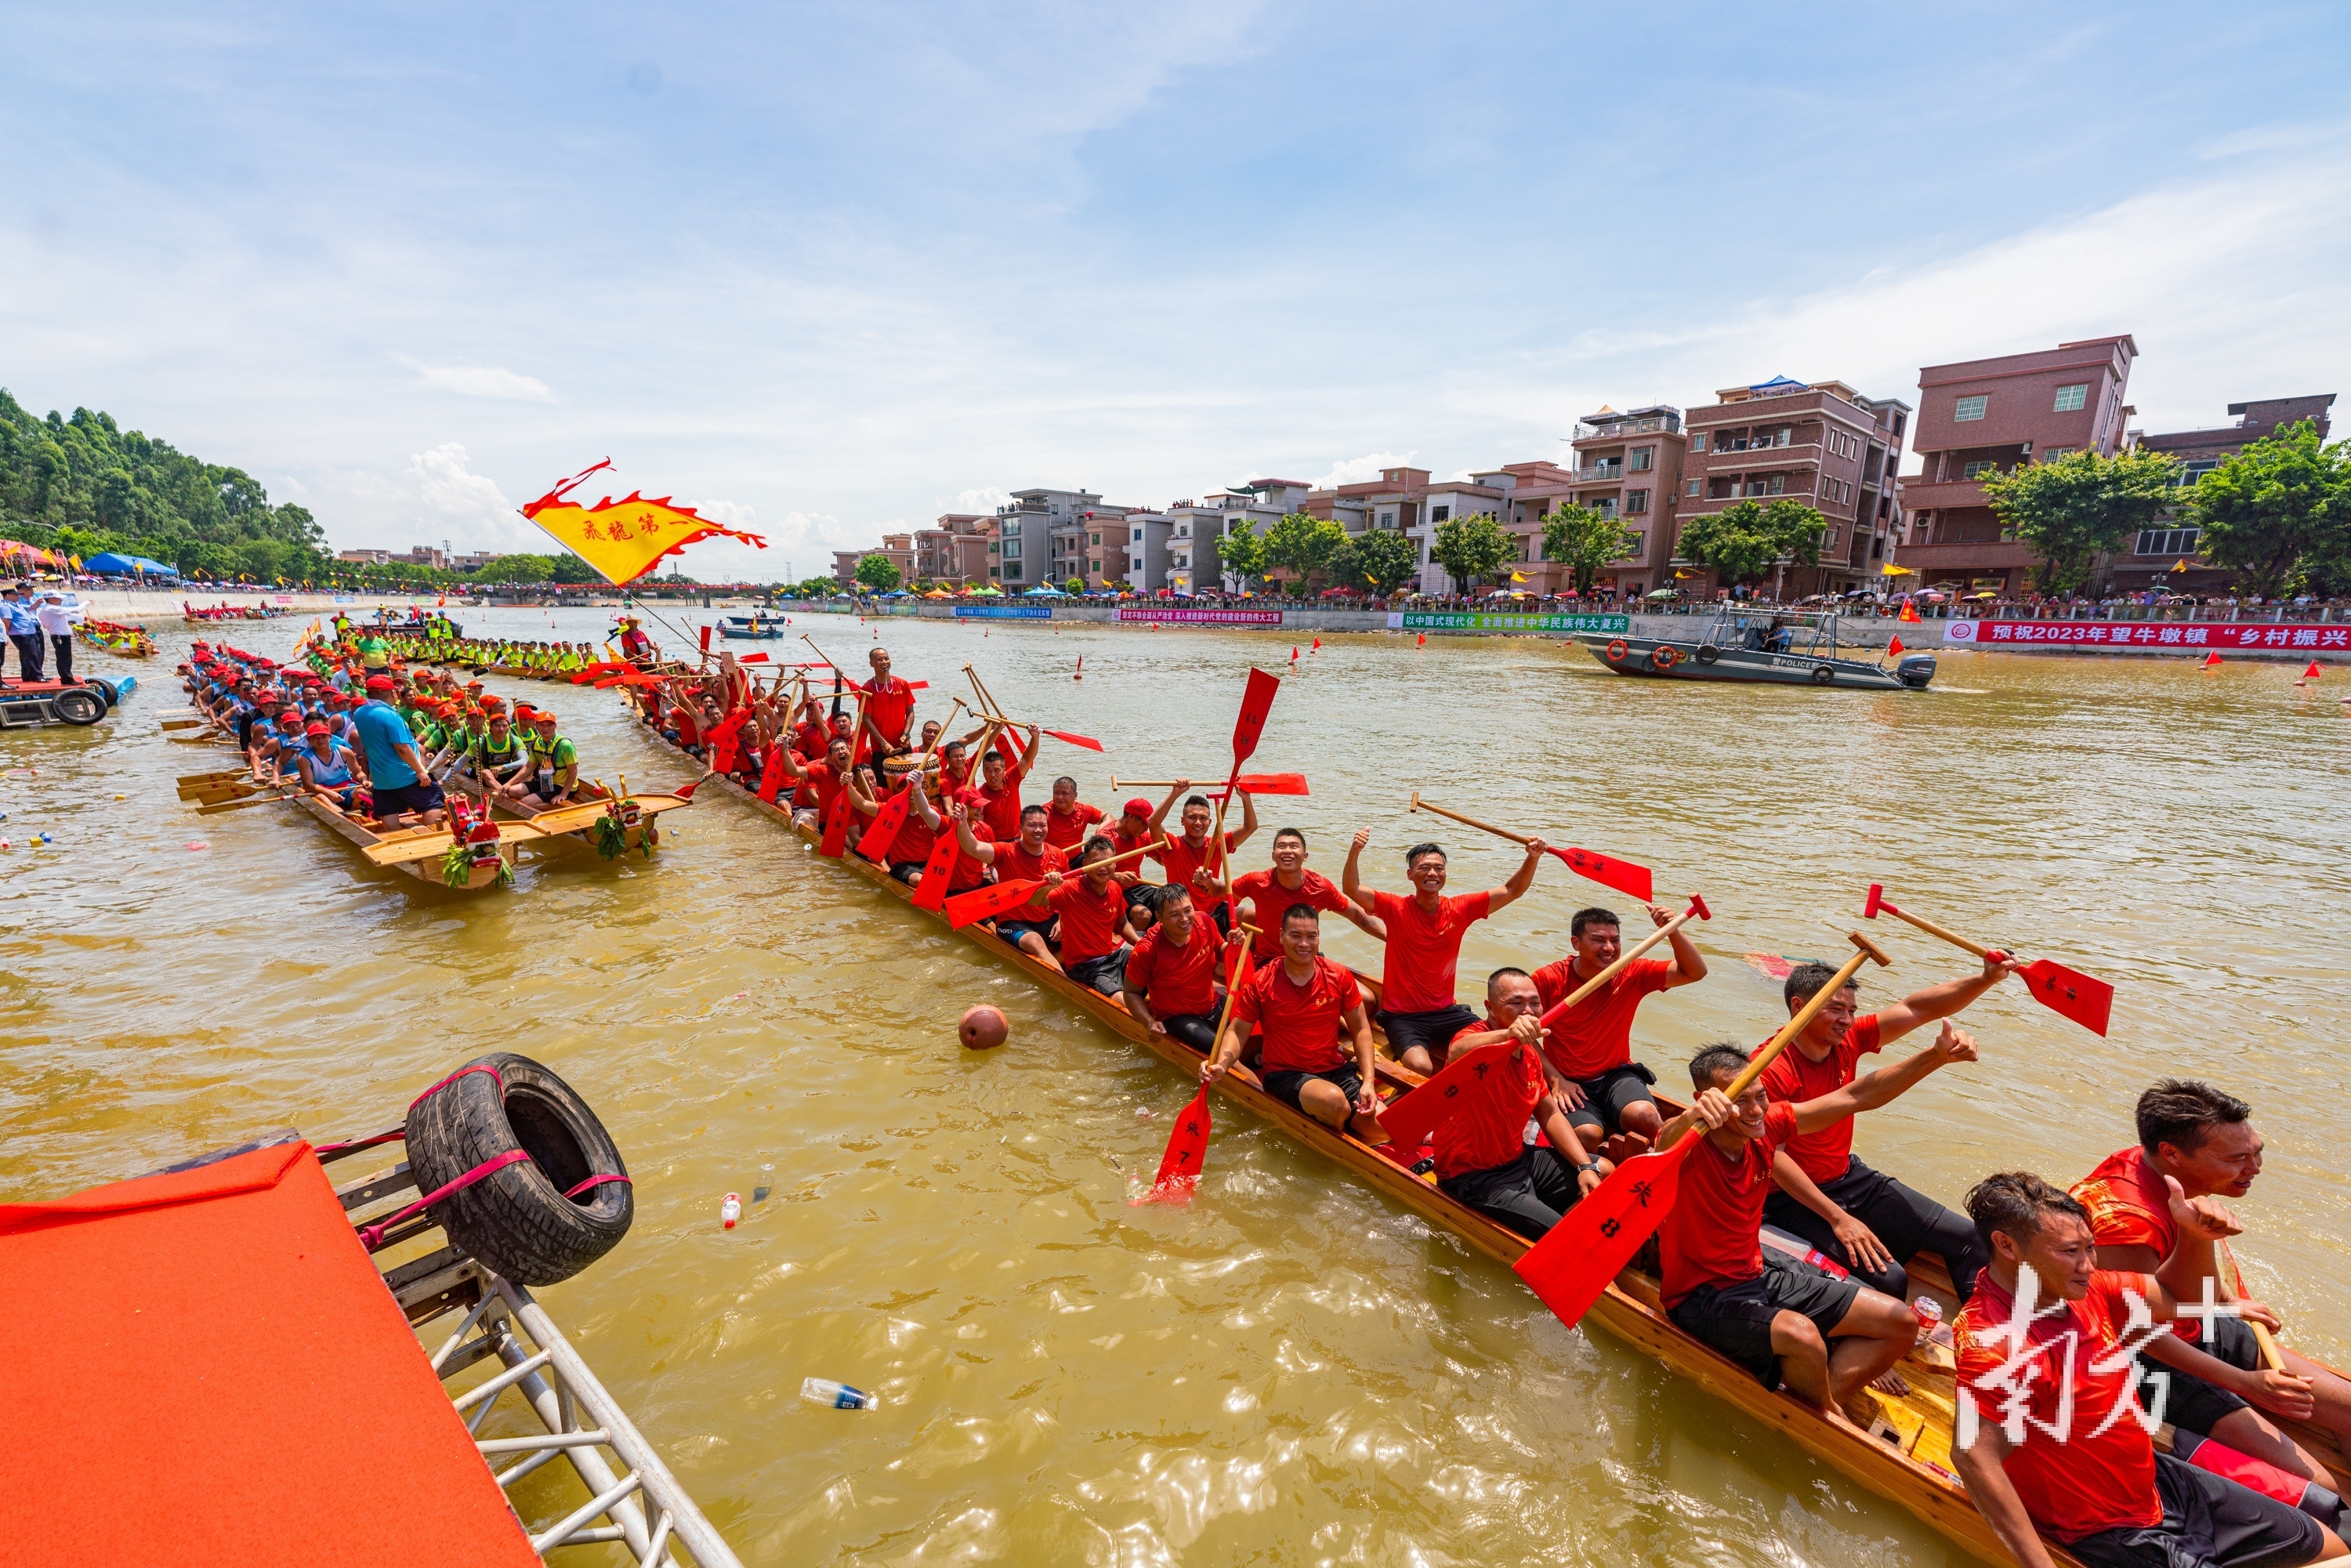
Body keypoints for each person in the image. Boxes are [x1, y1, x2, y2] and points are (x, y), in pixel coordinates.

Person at [1949, 1172, 2338, 1568]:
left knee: (2335, 1543)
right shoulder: (1994, 1346)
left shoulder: (2089, 1289)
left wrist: (2195, 1237)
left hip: (2158, 1482)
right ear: (2006, 1246)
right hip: (2107, 1529)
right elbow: (1974, 1458)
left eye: (2091, 1247)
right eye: (2070, 1252)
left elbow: (2187, 1299)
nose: (2088, 1265)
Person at [2072, 1080, 2351, 1480]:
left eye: (2257, 1153)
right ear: (2171, 1153)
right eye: (2236, 1159)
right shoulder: (2127, 1221)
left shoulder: (2156, 1165)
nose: (2253, 1169)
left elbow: (2183, 1285)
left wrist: (2224, 1303)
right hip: (2141, 1359)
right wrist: (2245, 1384)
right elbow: (2135, 1331)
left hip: (2195, 1322)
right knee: (2317, 1484)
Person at [1656, 1040, 1955, 1412]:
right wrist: (1689, 1117)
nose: (1755, 1111)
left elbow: (1857, 1096)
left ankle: (1822, 1407)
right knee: (1804, 1337)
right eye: (1740, 1101)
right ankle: (1827, 1413)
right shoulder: (1689, 1145)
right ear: (1705, 1099)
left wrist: (1935, 1055)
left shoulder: (1766, 1128)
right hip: (1699, 1296)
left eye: (1760, 1096)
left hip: (1756, 1275)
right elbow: (1662, 1145)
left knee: (1900, 1322)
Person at [1755, 955, 2014, 1306]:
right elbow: (1774, 1156)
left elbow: (1916, 1009)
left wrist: (1985, 979)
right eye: (1835, 1009)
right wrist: (1839, 1218)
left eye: (1851, 1009)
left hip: (1848, 1175)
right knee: (1892, 1281)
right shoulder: (1768, 1069)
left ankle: (1991, 1332)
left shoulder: (1847, 1039)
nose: (1847, 1020)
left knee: (1971, 1239)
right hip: (1793, 1198)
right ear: (1799, 1006)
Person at [1342, 830, 1544, 1074]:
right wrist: (1355, 851)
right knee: (1421, 1067)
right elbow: (1352, 889)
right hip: (1403, 1017)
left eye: (1439, 868)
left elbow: (1512, 890)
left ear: (1445, 874)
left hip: (1446, 1012)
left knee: (1500, 1043)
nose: (1432, 873)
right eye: (1424, 867)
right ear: (1410, 875)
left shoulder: (1460, 908)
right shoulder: (1395, 907)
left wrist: (1532, 857)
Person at [1430, 969, 1608, 1239]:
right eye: (1516, 1003)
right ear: (1490, 1008)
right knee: (1561, 1235)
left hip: (1518, 1158)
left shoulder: (1531, 1055)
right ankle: (1561, 1236)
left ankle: (1562, 1229)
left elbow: (1548, 1113)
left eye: (1534, 1003)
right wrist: (1506, 1034)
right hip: (1471, 1173)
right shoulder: (1474, 1037)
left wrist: (1584, 1167)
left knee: (1604, 1171)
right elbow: (1457, 1051)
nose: (1528, 1011)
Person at [1529, 904, 1708, 1151]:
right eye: (1598, 940)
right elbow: (1521, 1034)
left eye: (1615, 940)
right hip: (1567, 1080)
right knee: (1587, 1136)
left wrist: (1673, 932)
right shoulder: (1549, 979)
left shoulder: (1633, 972)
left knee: (1645, 1116)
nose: (1609, 948)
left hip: (1616, 1074)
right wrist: (1555, 1079)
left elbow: (1695, 972)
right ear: (1575, 943)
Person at [1202, 904, 1384, 1140]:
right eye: (1295, 935)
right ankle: (1333, 1122)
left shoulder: (1338, 975)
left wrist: (1368, 1083)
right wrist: (1222, 1064)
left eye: (1311, 936)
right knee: (1336, 1103)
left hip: (1336, 1070)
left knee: (1381, 1128)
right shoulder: (1262, 981)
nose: (1304, 944)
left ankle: (1339, 1123)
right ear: (1281, 936)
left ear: (1319, 938)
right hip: (1286, 1074)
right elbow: (1237, 1032)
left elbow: (1360, 1029)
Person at [1230, 827, 1386, 966]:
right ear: (1273, 856)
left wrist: (1389, 938)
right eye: (1281, 846)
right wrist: (1206, 879)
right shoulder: (1256, 881)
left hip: (1307, 958)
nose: (1287, 851)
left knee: (1368, 998)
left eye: (1294, 846)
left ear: (1305, 856)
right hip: (1269, 961)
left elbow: (1355, 913)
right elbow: (1222, 895)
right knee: (1241, 913)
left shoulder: (1320, 887)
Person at [951, 802, 1068, 967]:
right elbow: (973, 847)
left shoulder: (1059, 855)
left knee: (1082, 933)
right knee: (1036, 942)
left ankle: (1053, 962)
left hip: (1048, 919)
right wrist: (962, 822)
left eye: (1043, 825)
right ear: (1020, 828)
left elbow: (1068, 895)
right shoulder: (1006, 851)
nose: (1038, 830)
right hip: (1012, 922)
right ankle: (1064, 985)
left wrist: (1061, 921)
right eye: (1032, 825)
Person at [1121, 884, 1236, 1051]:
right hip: (1178, 1017)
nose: (1184, 919)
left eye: (1188, 910)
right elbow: (1131, 992)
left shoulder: (1204, 921)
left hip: (1213, 1003)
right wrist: (1148, 1023)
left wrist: (1234, 946)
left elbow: (1220, 952)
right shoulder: (1146, 950)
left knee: (1257, 1020)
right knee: (1220, 1050)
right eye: (1174, 914)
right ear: (1159, 917)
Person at [1031, 838, 1137, 996]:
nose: (1102, 868)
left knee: (1154, 964)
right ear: (1085, 865)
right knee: (1122, 1002)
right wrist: (1048, 886)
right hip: (1085, 967)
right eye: (1096, 863)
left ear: (1115, 864)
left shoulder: (1114, 887)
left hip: (1113, 955)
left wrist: (1142, 945)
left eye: (1108, 863)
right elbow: (1034, 901)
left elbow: (1123, 924)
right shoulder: (1070, 888)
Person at [1147, 780, 1258, 929]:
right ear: (1182, 821)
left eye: (1203, 818)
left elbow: (1250, 827)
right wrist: (1175, 793)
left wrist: (1246, 797)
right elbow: (1153, 823)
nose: (1198, 822)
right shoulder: (1172, 845)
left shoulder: (1218, 844)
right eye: (1192, 817)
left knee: (1254, 917)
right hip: (1185, 916)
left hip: (1215, 912)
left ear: (1210, 822)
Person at [352, 674, 444, 826]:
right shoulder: (390, 716)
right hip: (406, 774)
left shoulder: (359, 713)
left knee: (389, 810)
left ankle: (394, 838)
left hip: (381, 777)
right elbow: (402, 748)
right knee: (433, 802)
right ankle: (434, 837)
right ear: (393, 693)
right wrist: (420, 771)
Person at [294, 720, 371, 816]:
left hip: (345, 785)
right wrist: (328, 792)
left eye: (323, 737)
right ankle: (343, 816)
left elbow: (358, 772)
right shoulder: (304, 758)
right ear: (309, 740)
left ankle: (355, 813)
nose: (320, 740)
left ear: (330, 737)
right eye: (315, 738)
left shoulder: (345, 752)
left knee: (363, 793)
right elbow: (308, 785)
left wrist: (364, 780)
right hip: (321, 788)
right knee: (322, 798)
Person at [859, 646, 918, 756]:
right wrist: (883, 743)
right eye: (879, 659)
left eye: (887, 658)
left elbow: (910, 712)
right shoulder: (867, 689)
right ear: (871, 663)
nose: (884, 662)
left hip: (903, 744)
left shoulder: (902, 684)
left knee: (910, 774)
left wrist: (906, 734)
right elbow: (866, 719)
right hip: (881, 748)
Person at [522, 711, 578, 807]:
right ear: (536, 726)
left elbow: (573, 771)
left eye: (549, 725)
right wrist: (508, 784)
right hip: (545, 781)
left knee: (524, 802)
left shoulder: (565, 745)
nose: (545, 728)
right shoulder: (536, 741)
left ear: (555, 726)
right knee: (512, 791)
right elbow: (529, 767)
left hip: (561, 786)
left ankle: (557, 807)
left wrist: (563, 794)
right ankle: (542, 802)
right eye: (542, 725)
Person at [1041, 776, 1105, 853]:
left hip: (1076, 858)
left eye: (1065, 793)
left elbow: (1108, 817)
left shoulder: (1084, 810)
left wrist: (1101, 831)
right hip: (1052, 858)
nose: (1060, 797)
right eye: (1056, 793)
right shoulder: (1046, 811)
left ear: (1075, 795)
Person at [2, 586, 45, 680]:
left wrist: (38, 603)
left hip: (28, 632)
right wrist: (4, 638)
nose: (19, 597)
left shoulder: (16, 605)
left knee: (31, 654)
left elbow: (31, 607)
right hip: (20, 633)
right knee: (31, 654)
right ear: (8, 596)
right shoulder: (6, 606)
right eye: (16, 595)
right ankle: (37, 676)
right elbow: (6, 622)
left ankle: (29, 676)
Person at [37, 591, 75, 683]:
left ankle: (66, 677)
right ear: (51, 599)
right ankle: (67, 679)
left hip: (59, 635)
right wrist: (87, 603)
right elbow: (77, 610)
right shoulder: (51, 609)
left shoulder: (46, 610)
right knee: (64, 658)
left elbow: (45, 625)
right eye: (59, 598)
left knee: (64, 657)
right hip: (60, 636)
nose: (61, 600)